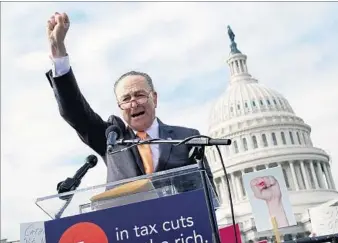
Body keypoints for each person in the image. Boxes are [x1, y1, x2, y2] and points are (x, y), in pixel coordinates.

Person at [45, 12, 215, 193]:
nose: (133, 103)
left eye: (139, 95)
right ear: (119, 107)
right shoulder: (111, 139)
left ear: (154, 98)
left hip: (179, 221)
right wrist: (58, 52)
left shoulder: (187, 138)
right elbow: (74, 111)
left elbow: (207, 194)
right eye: (126, 99)